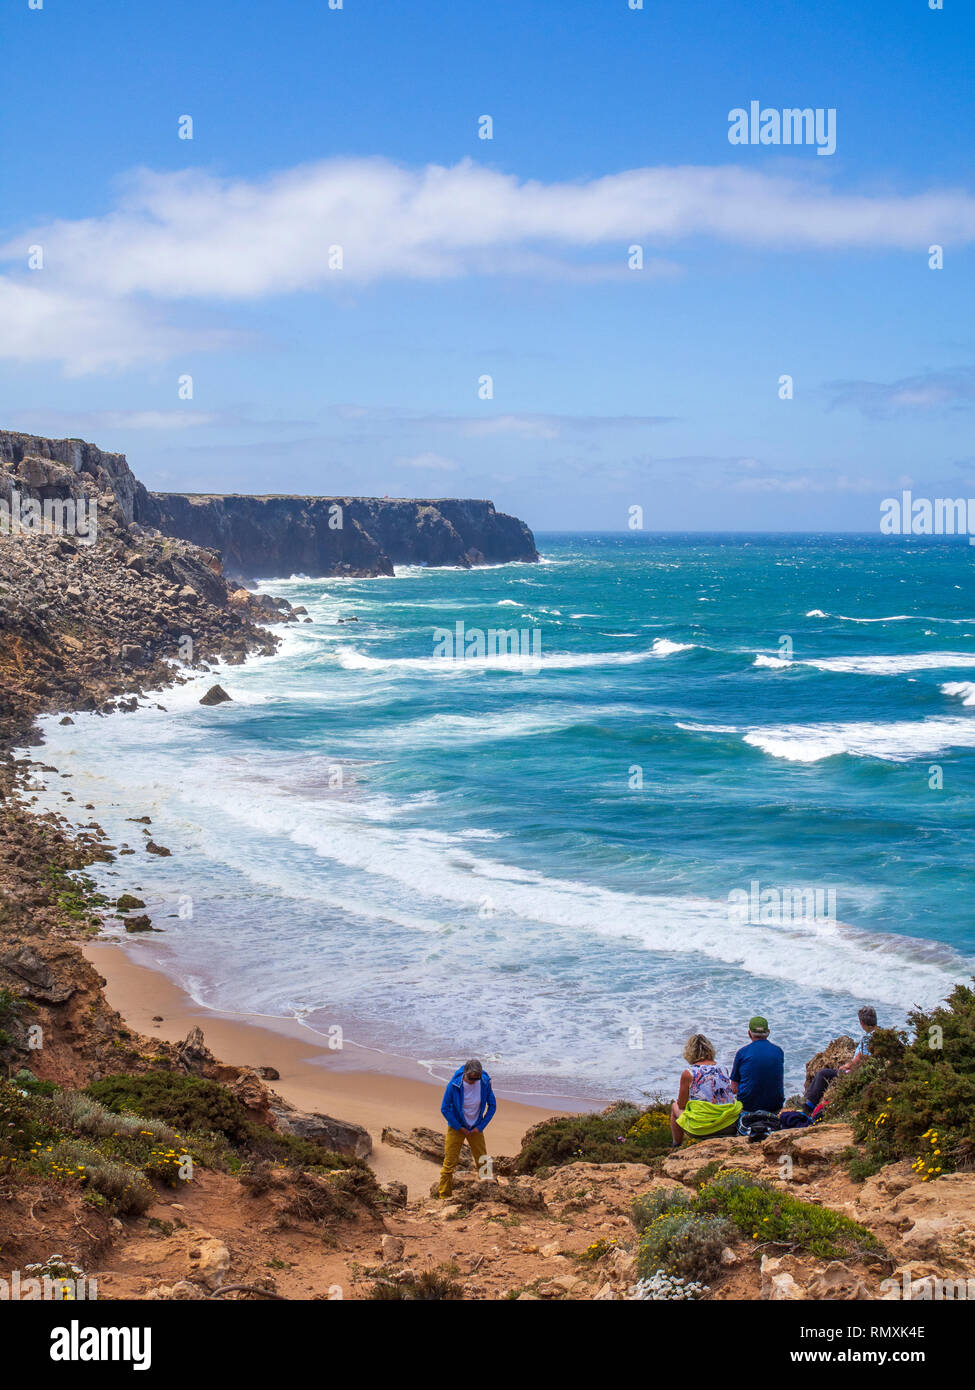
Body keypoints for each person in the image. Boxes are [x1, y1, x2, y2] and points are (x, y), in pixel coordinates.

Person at [438, 1058, 497, 1198]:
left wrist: (481, 1126)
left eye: (476, 1079)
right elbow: (444, 1109)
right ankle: (443, 1196)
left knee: (483, 1160)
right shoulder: (454, 1085)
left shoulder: (484, 1083)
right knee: (449, 1163)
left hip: (476, 1127)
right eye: (471, 1078)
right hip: (457, 1128)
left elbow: (492, 1106)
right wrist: (459, 1127)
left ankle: (487, 1191)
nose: (473, 1081)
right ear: (465, 1074)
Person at [670, 1034, 742, 1147]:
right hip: (729, 1125)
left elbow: (681, 1104)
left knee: (675, 1106)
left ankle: (676, 1145)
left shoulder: (688, 1073)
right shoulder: (723, 1069)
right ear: (710, 1049)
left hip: (701, 1129)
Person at [804, 1006, 879, 1112]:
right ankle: (807, 1101)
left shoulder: (868, 1038)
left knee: (823, 1074)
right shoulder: (881, 1033)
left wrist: (847, 1066)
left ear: (861, 1022)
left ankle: (808, 1106)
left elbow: (863, 1057)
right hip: (868, 1071)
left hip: (858, 1073)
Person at [729, 1015, 785, 1115]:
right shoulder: (778, 1051)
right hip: (775, 1106)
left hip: (747, 1107)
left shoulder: (742, 1053)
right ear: (768, 1033)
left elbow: (734, 1088)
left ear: (749, 1033)